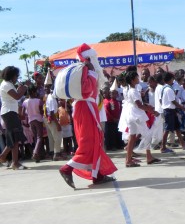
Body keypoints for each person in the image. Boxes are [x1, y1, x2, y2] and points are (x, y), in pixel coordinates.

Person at [59, 43, 117, 188]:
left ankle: (97, 175)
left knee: (96, 141)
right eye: (94, 57)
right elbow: (85, 91)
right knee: (88, 142)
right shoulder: (85, 69)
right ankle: (67, 168)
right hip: (85, 108)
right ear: (89, 58)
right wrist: (91, 73)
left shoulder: (86, 69)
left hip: (88, 107)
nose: (96, 59)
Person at [122, 71, 160, 167]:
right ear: (132, 80)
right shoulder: (133, 91)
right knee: (147, 134)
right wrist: (152, 111)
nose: (138, 79)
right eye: (136, 77)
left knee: (133, 136)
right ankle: (148, 157)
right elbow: (139, 105)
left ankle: (129, 159)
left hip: (132, 114)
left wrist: (148, 108)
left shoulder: (132, 90)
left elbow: (138, 104)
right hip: (136, 115)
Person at [0, 66, 30, 169]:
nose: (17, 77)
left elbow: (15, 96)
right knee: (15, 137)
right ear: (11, 75)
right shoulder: (6, 85)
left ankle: (6, 158)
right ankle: (13, 162)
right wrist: (25, 87)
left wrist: (19, 89)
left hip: (10, 112)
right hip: (9, 113)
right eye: (16, 75)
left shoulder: (8, 84)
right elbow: (17, 97)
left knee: (14, 137)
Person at [160, 72, 185, 153]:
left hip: (171, 110)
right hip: (169, 111)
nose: (173, 80)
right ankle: (163, 147)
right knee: (167, 129)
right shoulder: (169, 89)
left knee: (177, 127)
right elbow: (173, 101)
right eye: (172, 79)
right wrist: (183, 108)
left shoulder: (164, 88)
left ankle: (183, 143)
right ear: (170, 79)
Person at [22, 85, 44, 162]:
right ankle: (35, 153)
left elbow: (23, 114)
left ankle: (37, 157)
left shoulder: (25, 102)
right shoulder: (38, 101)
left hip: (30, 120)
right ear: (34, 92)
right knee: (40, 137)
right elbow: (41, 111)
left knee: (35, 138)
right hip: (38, 119)